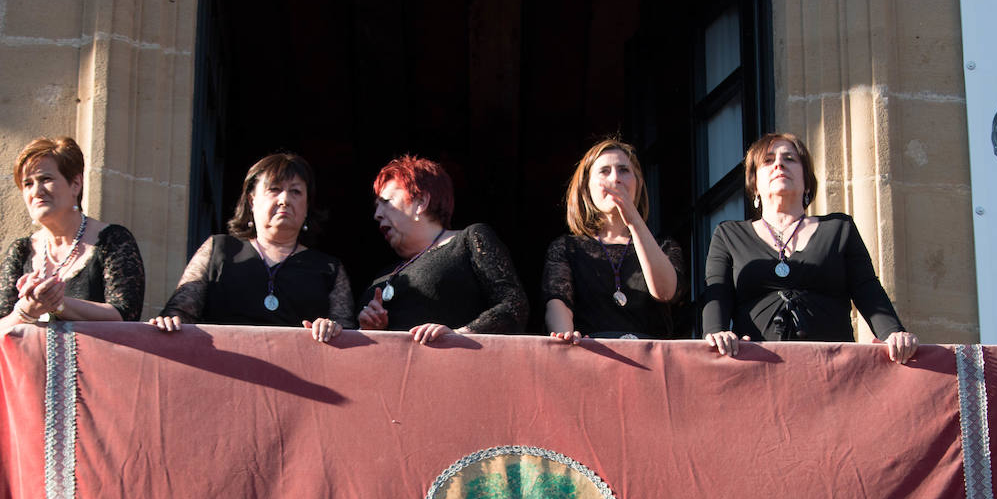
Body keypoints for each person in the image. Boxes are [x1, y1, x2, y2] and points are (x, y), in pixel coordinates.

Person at [701, 132, 919, 363]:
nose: (779, 164)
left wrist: (892, 333)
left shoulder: (839, 229)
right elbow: (717, 293)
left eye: (790, 159)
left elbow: (868, 289)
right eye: (768, 160)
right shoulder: (728, 235)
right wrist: (716, 333)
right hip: (758, 369)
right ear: (754, 184)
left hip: (831, 368)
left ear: (807, 180)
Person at [149, 153, 351, 342]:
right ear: (252, 201)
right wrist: (170, 321)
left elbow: (347, 333)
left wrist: (331, 329)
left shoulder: (329, 268)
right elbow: (180, 314)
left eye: (296, 192)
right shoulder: (218, 250)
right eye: (274, 189)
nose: (285, 200)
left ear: (307, 207)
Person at [358, 155, 527, 344]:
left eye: (387, 201)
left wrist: (459, 335)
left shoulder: (468, 240)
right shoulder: (385, 273)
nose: (377, 215)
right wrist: (373, 329)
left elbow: (513, 305)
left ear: (420, 202)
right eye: (376, 207)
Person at [0, 137, 145, 335]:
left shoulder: (112, 240)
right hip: (35, 365)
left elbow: (125, 314)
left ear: (75, 184)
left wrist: (58, 304)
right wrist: (27, 309)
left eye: (46, 179)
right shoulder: (21, 251)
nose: (36, 191)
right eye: (28, 183)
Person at [544, 139, 686, 341]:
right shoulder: (568, 248)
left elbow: (664, 292)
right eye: (604, 171)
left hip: (651, 360)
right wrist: (566, 336)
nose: (615, 179)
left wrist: (634, 220)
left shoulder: (664, 246)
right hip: (594, 357)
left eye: (623, 170)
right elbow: (558, 302)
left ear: (637, 183)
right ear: (587, 187)